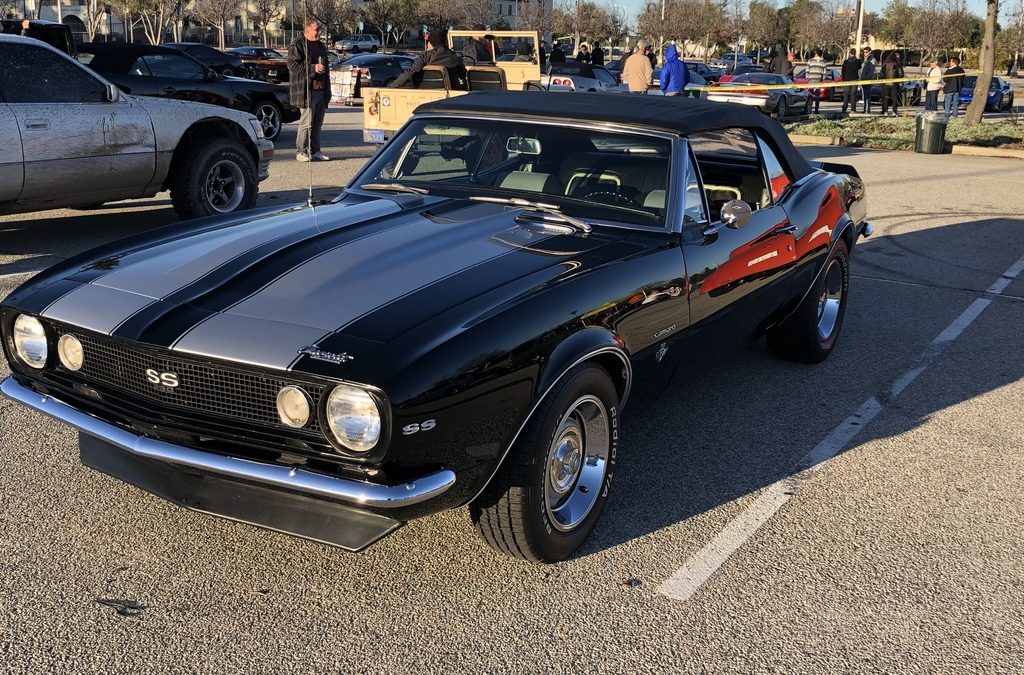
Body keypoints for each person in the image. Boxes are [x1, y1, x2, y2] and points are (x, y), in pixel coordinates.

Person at [288, 19, 331, 162]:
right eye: (316, 29)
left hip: (321, 89)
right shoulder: (298, 45)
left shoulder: (321, 46)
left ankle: (316, 151)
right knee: (306, 123)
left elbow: (326, 68)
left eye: (319, 29)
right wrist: (313, 68)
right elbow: (293, 66)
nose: (319, 32)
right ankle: (301, 151)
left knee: (317, 124)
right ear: (307, 30)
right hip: (306, 91)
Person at [389, 29, 466, 90]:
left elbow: (409, 72)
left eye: (429, 42)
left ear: (432, 44)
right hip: (450, 94)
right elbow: (463, 74)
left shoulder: (425, 56)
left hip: (426, 92)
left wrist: (391, 86)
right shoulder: (454, 56)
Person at [880, 52, 903, 116]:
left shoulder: (885, 64)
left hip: (885, 84)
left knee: (885, 98)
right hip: (894, 84)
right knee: (894, 98)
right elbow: (901, 74)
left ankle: (885, 111)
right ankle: (894, 111)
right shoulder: (897, 65)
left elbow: (881, 74)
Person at [806, 48, 827, 113]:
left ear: (816, 54)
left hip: (811, 78)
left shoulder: (810, 60)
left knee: (810, 94)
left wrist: (807, 77)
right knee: (817, 95)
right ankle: (816, 109)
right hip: (818, 79)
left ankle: (808, 109)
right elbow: (824, 72)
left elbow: (807, 69)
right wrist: (823, 78)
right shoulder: (823, 62)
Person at [840, 48, 860, 113]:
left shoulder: (846, 62)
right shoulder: (858, 61)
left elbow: (843, 71)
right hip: (854, 79)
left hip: (846, 80)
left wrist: (843, 79)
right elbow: (859, 68)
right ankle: (853, 109)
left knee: (846, 94)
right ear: (855, 54)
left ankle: (844, 108)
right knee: (853, 94)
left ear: (850, 53)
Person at [858, 47, 877, 114]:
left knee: (867, 95)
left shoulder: (872, 60)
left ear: (870, 52)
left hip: (868, 80)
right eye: (864, 52)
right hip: (862, 80)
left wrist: (867, 79)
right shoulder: (864, 59)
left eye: (866, 52)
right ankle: (864, 109)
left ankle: (867, 110)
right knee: (864, 96)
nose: (865, 53)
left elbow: (871, 71)